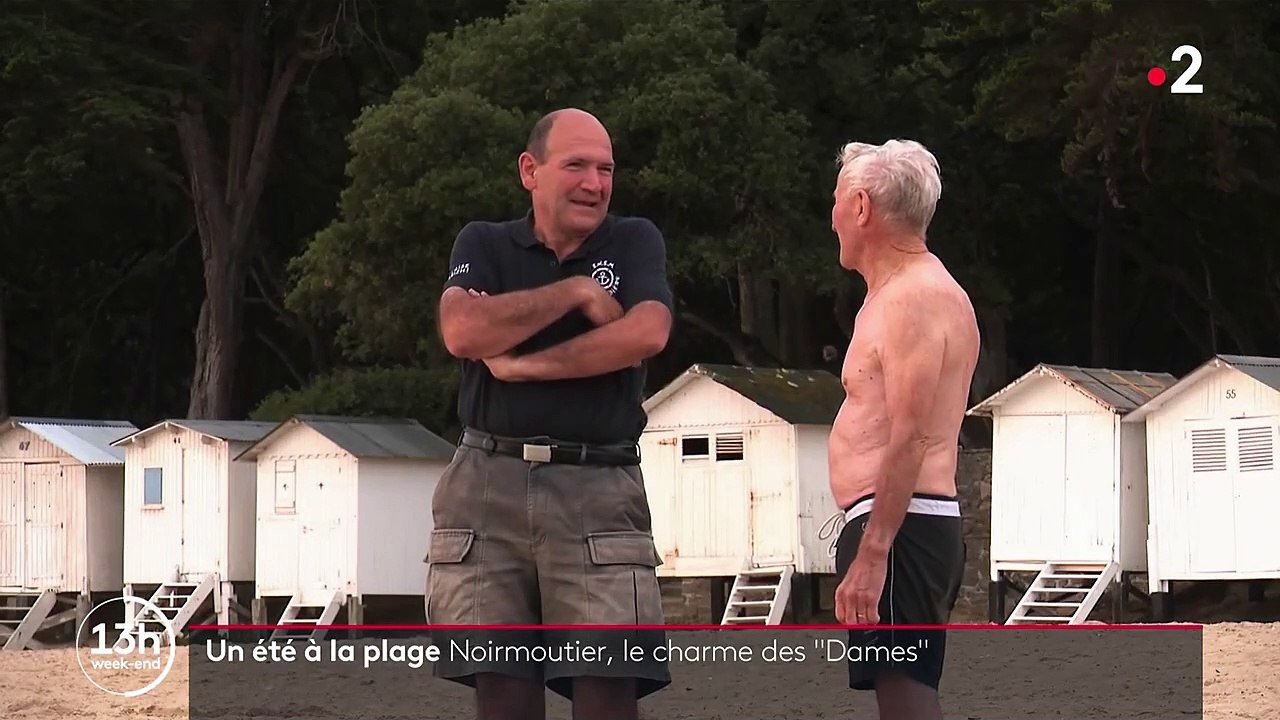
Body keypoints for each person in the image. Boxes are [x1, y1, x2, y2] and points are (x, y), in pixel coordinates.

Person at [429, 107, 674, 720]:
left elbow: (646, 332)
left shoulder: (634, 239)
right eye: (577, 166)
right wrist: (578, 293)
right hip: (487, 483)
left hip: (598, 486)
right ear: (530, 170)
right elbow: (461, 330)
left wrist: (520, 363)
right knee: (503, 694)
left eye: (606, 169)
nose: (595, 183)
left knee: (607, 692)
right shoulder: (482, 242)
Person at [826, 139, 980, 720]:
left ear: (861, 207)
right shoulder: (909, 293)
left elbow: (911, 435)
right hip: (908, 520)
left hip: (903, 524)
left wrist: (873, 551)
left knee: (906, 696)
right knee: (902, 689)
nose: (833, 214)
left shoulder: (913, 299)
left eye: (838, 200)